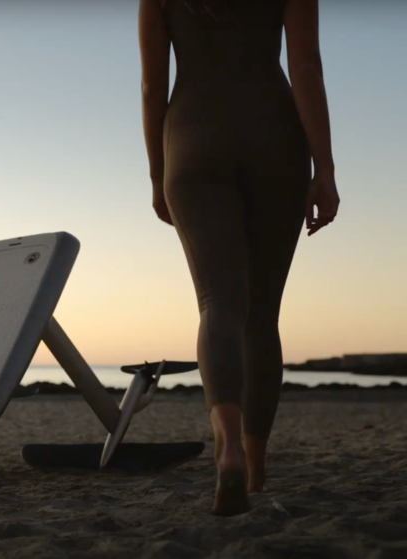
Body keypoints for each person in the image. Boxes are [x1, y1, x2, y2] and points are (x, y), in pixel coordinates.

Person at [138, 0, 341, 516]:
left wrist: (158, 170)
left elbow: (151, 85)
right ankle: (254, 470)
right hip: (273, 137)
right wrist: (325, 169)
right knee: (261, 316)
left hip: (191, 137)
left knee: (218, 304)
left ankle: (224, 445)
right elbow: (306, 68)